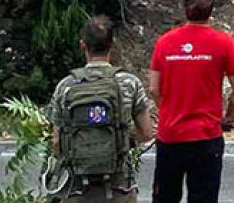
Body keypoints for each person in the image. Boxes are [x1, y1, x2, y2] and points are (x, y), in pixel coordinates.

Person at [148, 0, 234, 203]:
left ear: (185, 9)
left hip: (171, 134)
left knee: (165, 197)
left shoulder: (164, 43)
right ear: (211, 11)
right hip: (206, 136)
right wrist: (229, 117)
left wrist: (167, 108)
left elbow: (154, 88)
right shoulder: (224, 43)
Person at [49, 16, 156, 203]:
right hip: (119, 188)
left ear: (83, 45)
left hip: (78, 190)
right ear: (112, 45)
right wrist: (122, 140)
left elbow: (57, 143)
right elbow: (147, 133)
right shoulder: (129, 83)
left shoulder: (65, 87)